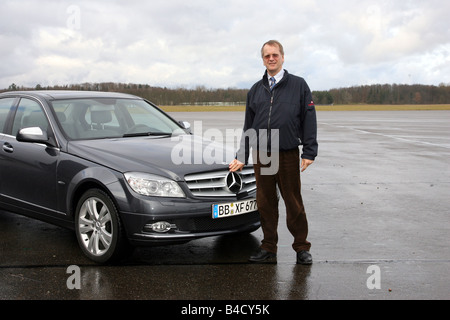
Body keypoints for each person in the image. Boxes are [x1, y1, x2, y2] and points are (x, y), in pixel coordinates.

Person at [229, 40, 318, 264]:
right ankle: (269, 248)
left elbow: (309, 119)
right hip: (262, 155)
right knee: (266, 203)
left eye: (275, 54)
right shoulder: (255, 90)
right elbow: (248, 126)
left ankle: (301, 248)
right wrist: (242, 155)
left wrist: (309, 151)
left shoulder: (299, 85)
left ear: (283, 57)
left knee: (293, 202)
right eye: (267, 55)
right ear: (263, 59)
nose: (271, 58)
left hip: (287, 153)